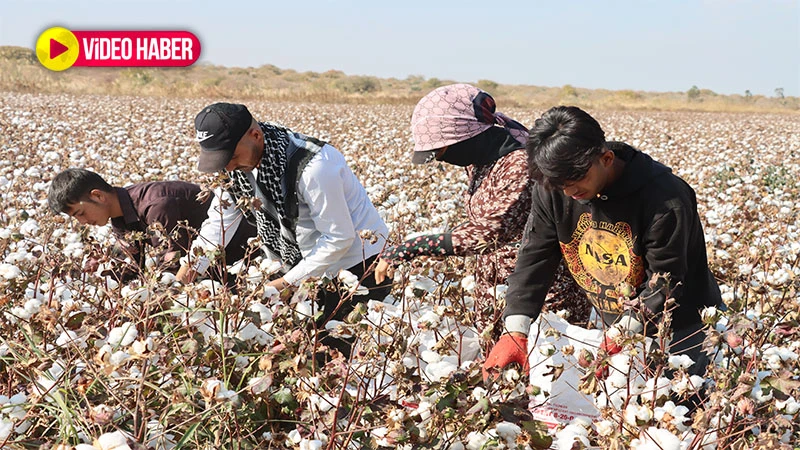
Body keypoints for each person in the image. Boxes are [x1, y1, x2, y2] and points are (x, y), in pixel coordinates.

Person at [483, 106, 723, 380]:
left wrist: (620, 334)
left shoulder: (665, 199)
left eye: (576, 181)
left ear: (606, 158)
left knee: (677, 402)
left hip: (681, 325)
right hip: (618, 320)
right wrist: (516, 329)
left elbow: (665, 279)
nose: (569, 193)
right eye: (560, 186)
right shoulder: (555, 187)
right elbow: (535, 256)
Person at [176, 102, 391, 355]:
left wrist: (285, 283)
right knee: (294, 351)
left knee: (336, 359)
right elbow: (219, 221)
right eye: (221, 160)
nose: (229, 167)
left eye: (231, 157)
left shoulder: (313, 166)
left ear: (255, 136)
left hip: (357, 266)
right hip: (299, 265)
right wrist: (182, 279)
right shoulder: (234, 170)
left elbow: (338, 238)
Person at [375, 84, 589, 333]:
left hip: (540, 294)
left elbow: (489, 232)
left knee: (534, 364)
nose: (442, 158)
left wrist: (411, 247)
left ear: (467, 137)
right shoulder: (481, 160)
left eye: (442, 150)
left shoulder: (520, 166)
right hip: (497, 289)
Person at [47, 168, 255, 281]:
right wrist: (84, 280)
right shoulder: (120, 218)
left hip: (248, 260)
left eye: (80, 213)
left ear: (98, 196)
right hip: (211, 270)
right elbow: (128, 267)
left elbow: (172, 266)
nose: (83, 222)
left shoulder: (156, 205)